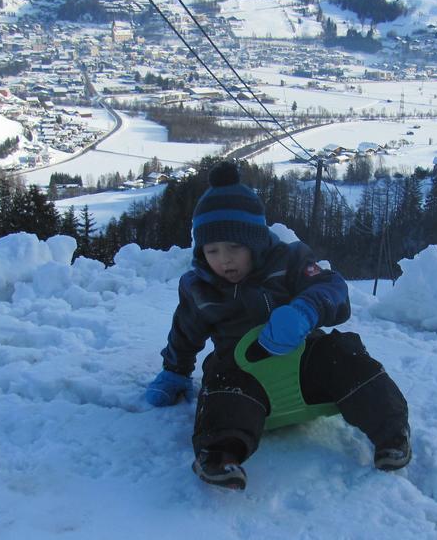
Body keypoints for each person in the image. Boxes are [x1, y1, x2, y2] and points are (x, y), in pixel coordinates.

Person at [145, 160, 411, 490]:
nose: (224, 259)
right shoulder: (199, 287)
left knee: (345, 354)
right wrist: (175, 370)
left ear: (256, 241)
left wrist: (306, 310)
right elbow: (185, 332)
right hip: (244, 373)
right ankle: (220, 455)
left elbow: (333, 288)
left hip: (304, 363)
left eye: (234, 247)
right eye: (212, 250)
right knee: (220, 381)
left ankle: (391, 434)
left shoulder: (289, 261)